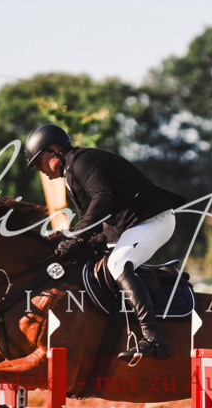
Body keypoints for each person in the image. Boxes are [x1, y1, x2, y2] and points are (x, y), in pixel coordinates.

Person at [25, 124, 184, 364]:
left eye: (39, 162)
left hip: (154, 220)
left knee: (118, 263)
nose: (41, 170)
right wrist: (71, 242)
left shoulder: (82, 161)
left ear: (55, 150)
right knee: (96, 261)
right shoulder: (70, 175)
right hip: (129, 227)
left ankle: (153, 337)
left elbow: (103, 198)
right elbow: (91, 224)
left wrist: (74, 237)